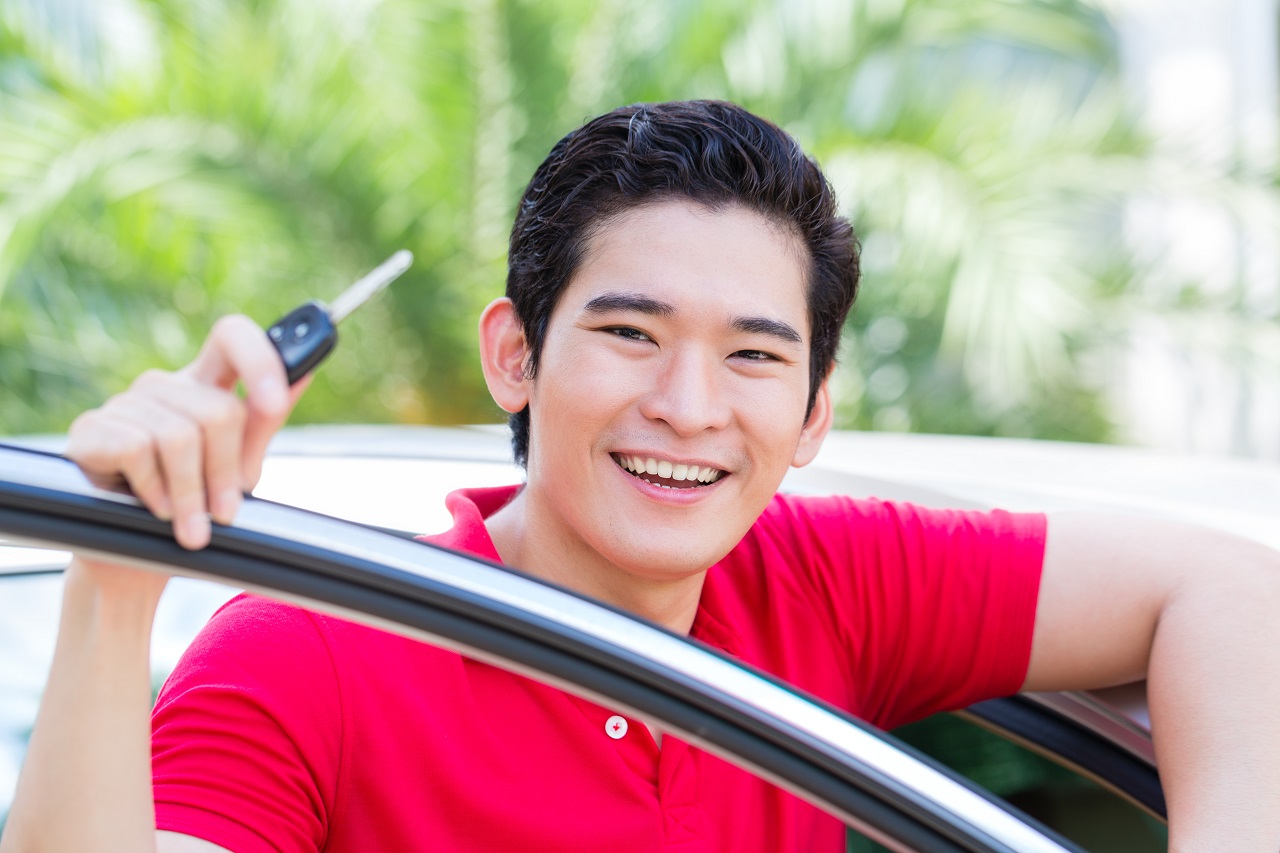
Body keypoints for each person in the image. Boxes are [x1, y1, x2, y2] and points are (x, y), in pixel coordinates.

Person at [3, 100, 1279, 852]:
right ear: (516, 355)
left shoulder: (819, 581)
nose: (687, 404)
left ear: (814, 410)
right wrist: (119, 583)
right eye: (628, 333)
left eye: (752, 355)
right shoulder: (307, 655)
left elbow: (1228, 592)